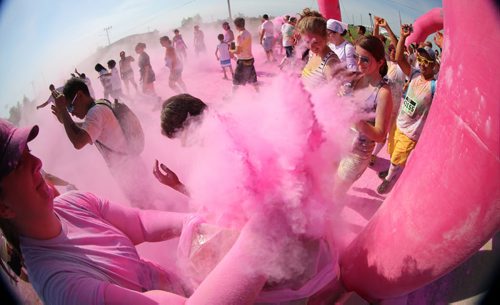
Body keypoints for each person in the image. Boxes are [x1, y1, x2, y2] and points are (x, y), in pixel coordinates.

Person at [0, 118, 274, 305]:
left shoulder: (74, 204)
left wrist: (196, 220)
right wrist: (259, 240)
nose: (37, 163)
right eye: (17, 163)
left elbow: (140, 223)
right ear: (3, 207)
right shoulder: (62, 284)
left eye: (30, 151)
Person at [50, 78, 159, 208]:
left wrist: (63, 112)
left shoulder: (95, 113)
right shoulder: (99, 106)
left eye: (70, 107)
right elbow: (85, 129)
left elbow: (78, 142)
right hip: (131, 167)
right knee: (148, 206)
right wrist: (65, 120)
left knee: (147, 208)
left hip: (130, 170)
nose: (72, 112)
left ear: (79, 95)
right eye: (68, 110)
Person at [377, 24, 438, 194]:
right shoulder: (415, 74)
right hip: (400, 123)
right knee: (393, 151)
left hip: (412, 131)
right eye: (422, 60)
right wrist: (403, 37)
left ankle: (389, 180)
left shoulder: (435, 86)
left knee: (398, 157)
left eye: (428, 62)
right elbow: (399, 58)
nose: (423, 64)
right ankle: (391, 172)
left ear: (434, 65)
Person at [334, 35, 393, 198]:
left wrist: (355, 118)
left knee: (335, 194)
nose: (359, 63)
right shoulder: (356, 77)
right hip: (340, 141)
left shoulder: (383, 93)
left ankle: (330, 222)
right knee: (326, 183)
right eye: (356, 57)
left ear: (380, 62)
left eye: (365, 59)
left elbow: (381, 135)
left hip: (357, 153)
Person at [369, 16, 407, 167]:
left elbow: (398, 46)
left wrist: (388, 28)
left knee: (383, 134)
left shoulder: (403, 66)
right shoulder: (387, 63)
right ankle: (366, 151)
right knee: (372, 128)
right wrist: (377, 27)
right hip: (380, 104)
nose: (392, 51)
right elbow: (375, 44)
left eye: (394, 49)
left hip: (394, 108)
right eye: (390, 49)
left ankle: (373, 155)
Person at [296, 9, 342, 90]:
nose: (311, 46)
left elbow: (336, 98)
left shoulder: (331, 63)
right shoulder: (312, 53)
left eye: (316, 42)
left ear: (326, 37)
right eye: (307, 42)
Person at [230, 17, 258, 91]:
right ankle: (258, 94)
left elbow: (237, 51)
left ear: (236, 25)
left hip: (242, 60)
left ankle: (232, 97)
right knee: (253, 79)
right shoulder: (248, 33)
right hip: (250, 59)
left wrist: (231, 48)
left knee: (235, 81)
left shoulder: (239, 35)